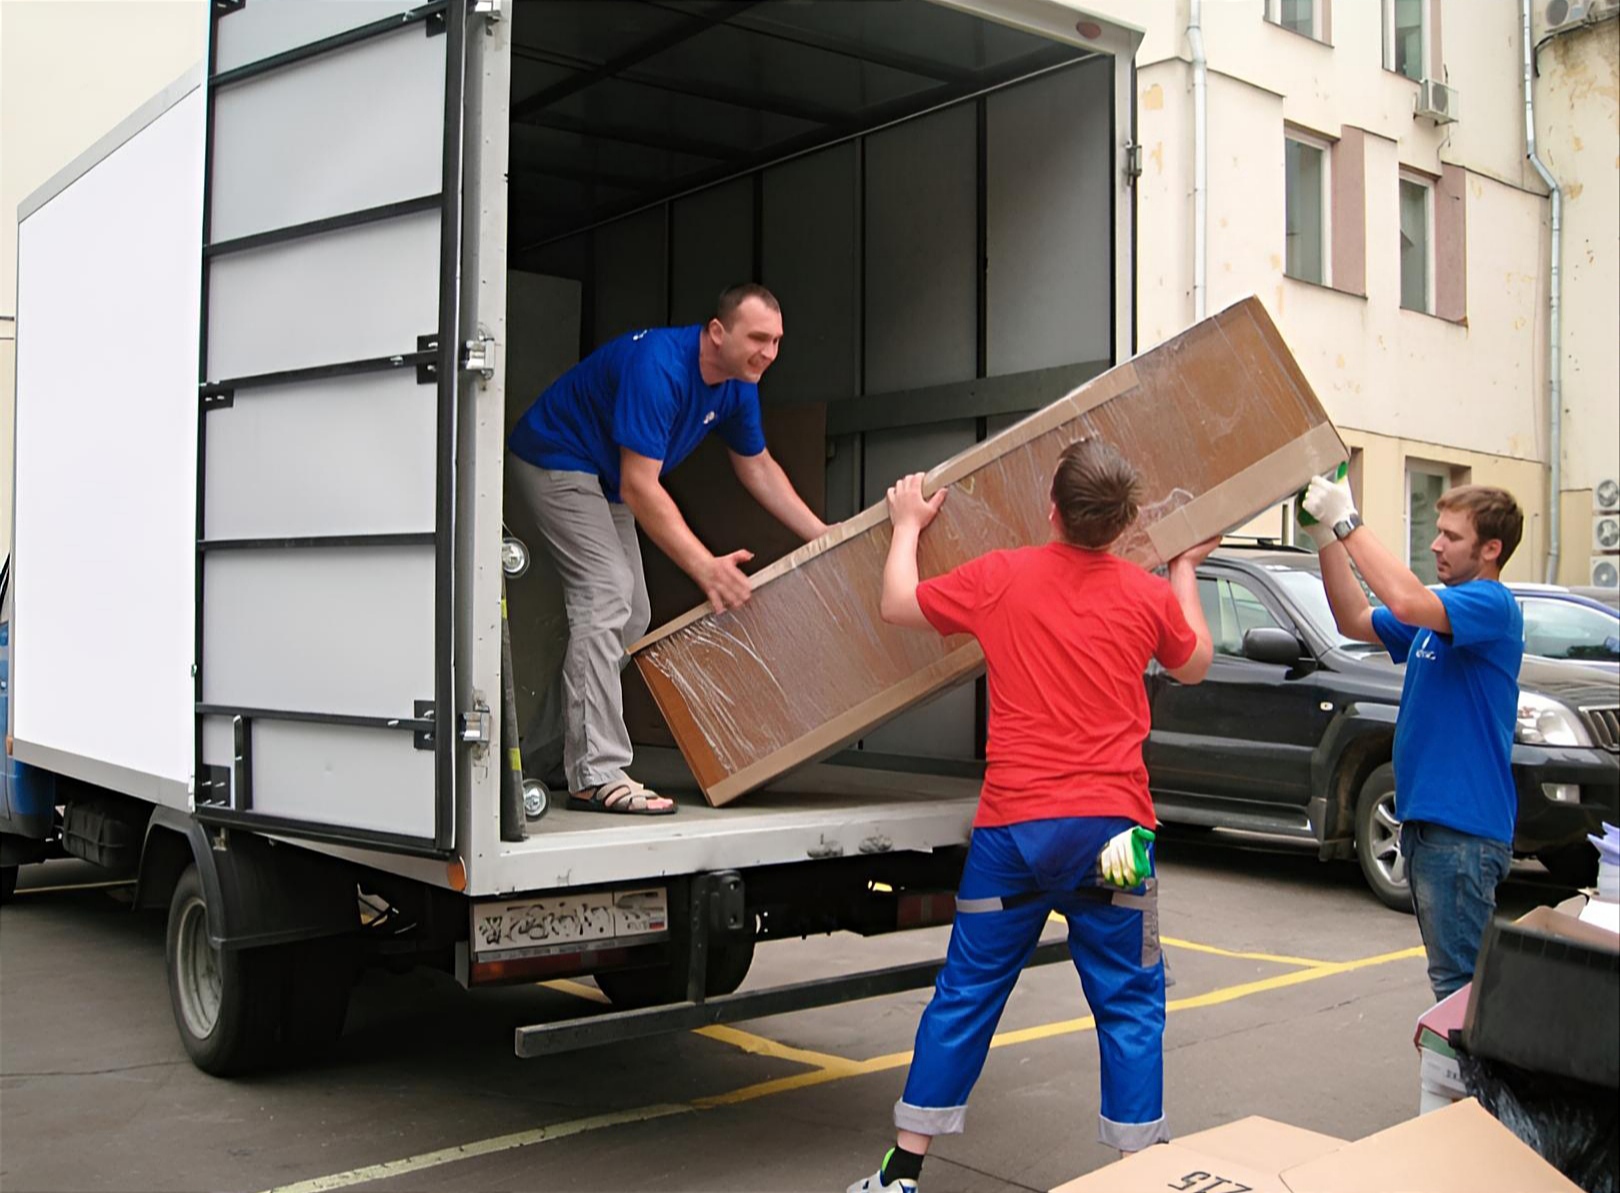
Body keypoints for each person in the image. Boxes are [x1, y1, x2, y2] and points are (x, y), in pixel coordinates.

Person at [849, 440, 1218, 1193]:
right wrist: (1182, 567)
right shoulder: (1146, 595)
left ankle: (901, 1170)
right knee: (1131, 996)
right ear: (1128, 522)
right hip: (1117, 831)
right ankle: (1137, 1170)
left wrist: (909, 524)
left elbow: (896, 604)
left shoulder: (1001, 576)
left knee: (969, 989)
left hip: (1014, 829)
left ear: (1052, 509)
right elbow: (1195, 661)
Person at [508, 283, 828, 816]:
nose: (768, 354)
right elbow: (641, 486)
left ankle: (558, 756)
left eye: (776, 341)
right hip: (555, 458)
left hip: (606, 478)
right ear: (717, 332)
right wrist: (705, 566)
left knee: (632, 614)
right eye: (758, 338)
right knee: (607, 592)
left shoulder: (736, 382)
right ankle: (595, 773)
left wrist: (821, 532)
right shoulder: (660, 366)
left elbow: (758, 467)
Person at [1301, 474, 1524, 1000]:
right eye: (1438, 531)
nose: (1435, 543)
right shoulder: (1440, 614)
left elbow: (1403, 600)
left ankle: (1475, 1086)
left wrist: (1347, 522)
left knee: (1461, 993)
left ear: (1491, 550)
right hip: (1429, 828)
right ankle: (1459, 1085)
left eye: (1452, 536)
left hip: (1461, 832)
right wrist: (1326, 542)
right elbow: (1354, 619)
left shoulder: (1490, 605)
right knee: (1454, 987)